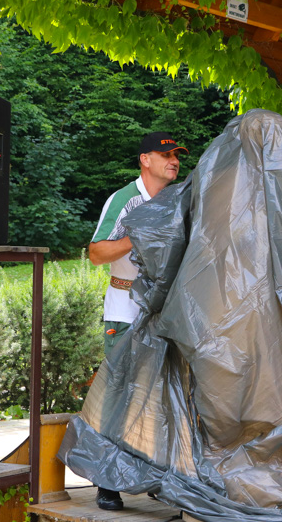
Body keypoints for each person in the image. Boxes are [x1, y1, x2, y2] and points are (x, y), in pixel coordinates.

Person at [88, 131, 188, 510]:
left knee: (163, 396)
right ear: (145, 160)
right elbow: (97, 252)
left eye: (177, 154)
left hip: (166, 313)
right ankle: (106, 482)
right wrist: (139, 234)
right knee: (118, 396)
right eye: (165, 154)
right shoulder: (126, 200)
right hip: (126, 312)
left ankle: (154, 476)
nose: (173, 160)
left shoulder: (176, 201)